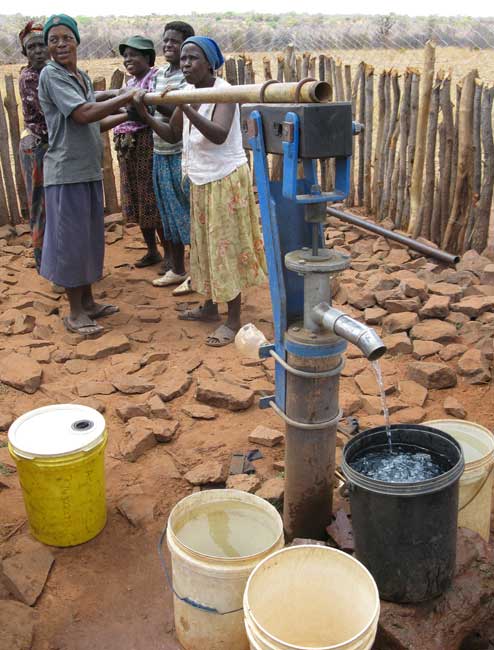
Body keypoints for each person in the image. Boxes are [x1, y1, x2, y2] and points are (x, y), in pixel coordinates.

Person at [133, 36, 267, 347]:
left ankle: (233, 319)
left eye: (193, 58)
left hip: (225, 180)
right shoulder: (191, 93)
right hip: (201, 180)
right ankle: (209, 306)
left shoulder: (225, 93)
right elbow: (172, 133)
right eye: (183, 59)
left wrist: (186, 106)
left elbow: (219, 135)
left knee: (226, 247)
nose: (186, 64)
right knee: (205, 246)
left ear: (210, 63)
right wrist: (146, 115)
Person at [38, 14, 138, 336]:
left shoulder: (78, 75)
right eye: (54, 40)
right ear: (48, 47)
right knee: (71, 242)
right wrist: (126, 97)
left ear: (77, 40)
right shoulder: (51, 75)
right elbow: (82, 114)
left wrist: (126, 112)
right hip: (66, 172)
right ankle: (75, 312)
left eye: (66, 37)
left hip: (86, 170)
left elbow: (94, 120)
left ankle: (90, 302)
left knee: (89, 240)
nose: (60, 44)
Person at [113, 36, 165, 268]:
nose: (128, 59)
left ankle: (170, 255)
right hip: (126, 145)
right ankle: (152, 251)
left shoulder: (155, 78)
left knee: (151, 198)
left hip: (145, 142)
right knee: (136, 196)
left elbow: (152, 108)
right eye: (126, 56)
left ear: (148, 58)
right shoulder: (130, 84)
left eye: (134, 54)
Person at [151, 21, 194, 292]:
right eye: (165, 40)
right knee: (169, 215)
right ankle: (177, 270)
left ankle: (198, 272)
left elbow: (179, 113)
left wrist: (150, 102)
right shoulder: (161, 74)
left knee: (189, 214)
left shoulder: (189, 79)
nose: (168, 45)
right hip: (160, 151)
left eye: (174, 42)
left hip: (181, 153)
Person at [18, 21, 50, 273]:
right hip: (37, 147)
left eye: (41, 45)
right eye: (32, 47)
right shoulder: (29, 78)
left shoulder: (51, 73)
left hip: (50, 147)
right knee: (40, 205)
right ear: (25, 53)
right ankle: (44, 263)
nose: (38, 51)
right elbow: (49, 115)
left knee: (55, 205)